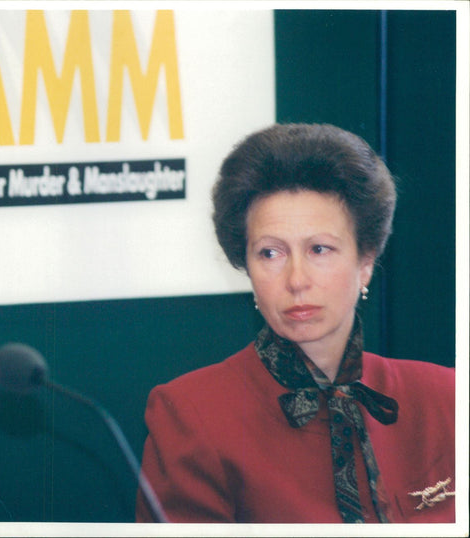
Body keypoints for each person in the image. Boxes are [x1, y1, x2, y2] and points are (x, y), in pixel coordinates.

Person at [136, 123, 455, 523]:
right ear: (246, 266)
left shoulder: (446, 399)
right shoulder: (190, 415)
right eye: (270, 253)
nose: (297, 280)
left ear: (366, 262)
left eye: (320, 249)